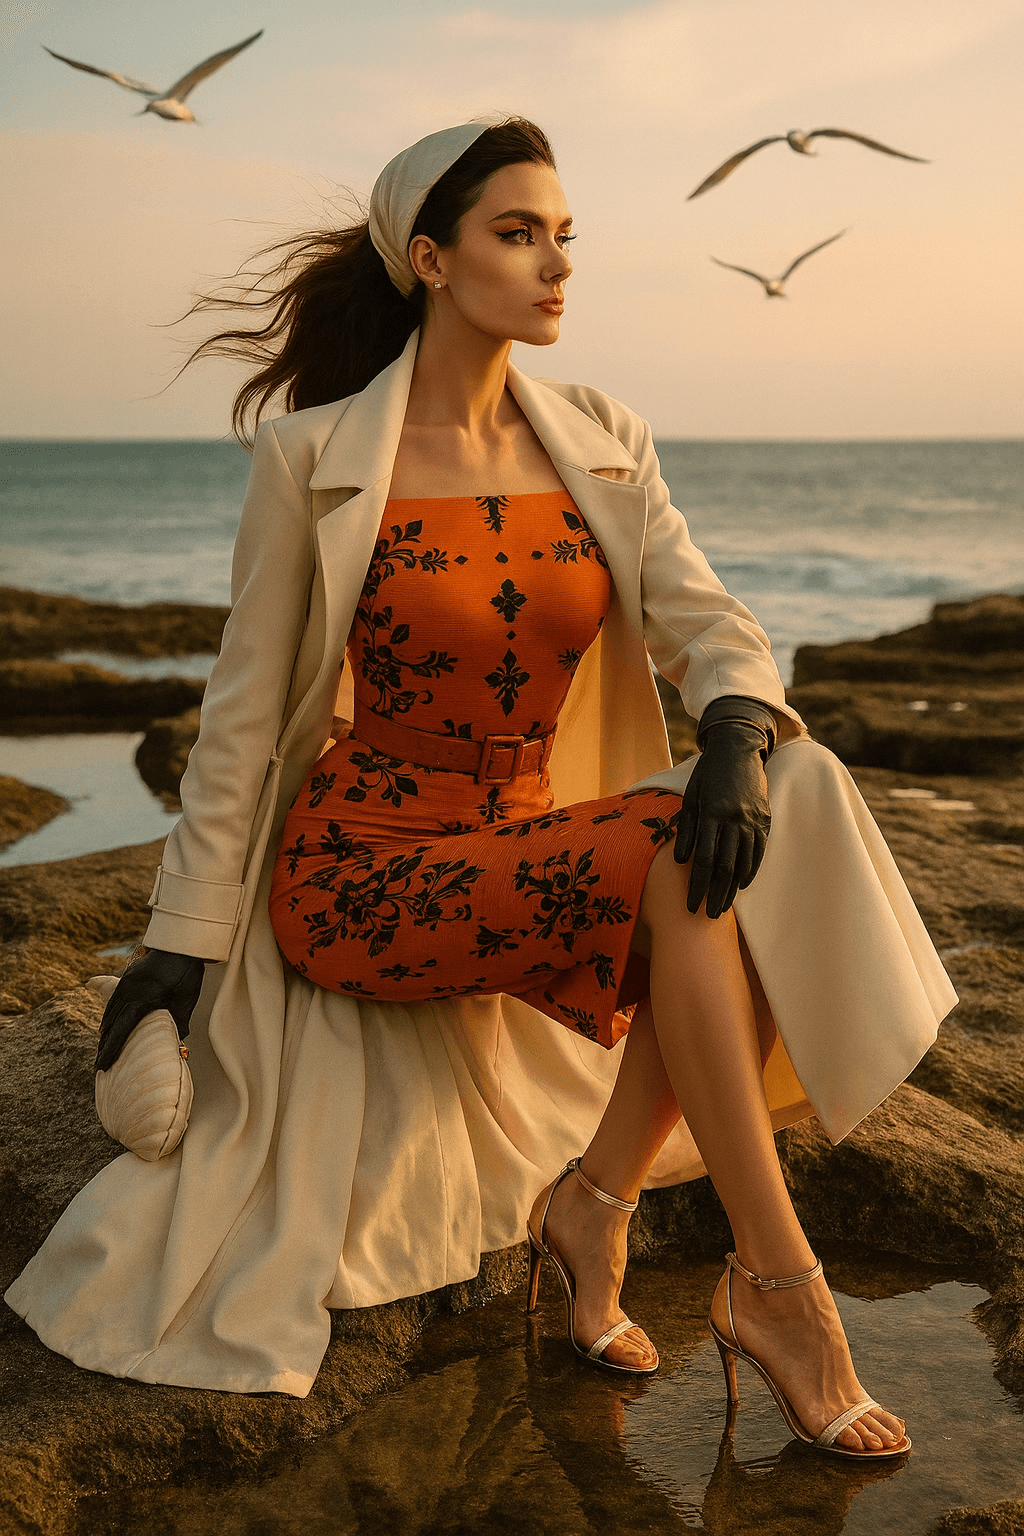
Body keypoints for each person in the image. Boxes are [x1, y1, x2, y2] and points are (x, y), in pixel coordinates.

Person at [6, 119, 955, 1455]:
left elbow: (705, 617)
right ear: (432, 259)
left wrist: (736, 720)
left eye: (566, 235)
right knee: (694, 866)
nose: (557, 264)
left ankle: (597, 1208)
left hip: (531, 839)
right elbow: (240, 717)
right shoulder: (317, 457)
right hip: (367, 870)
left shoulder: (602, 437)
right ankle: (776, 1284)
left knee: (768, 800)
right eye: (519, 235)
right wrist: (175, 946)